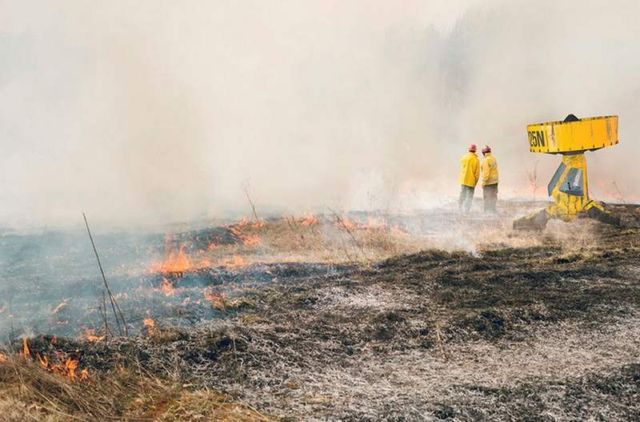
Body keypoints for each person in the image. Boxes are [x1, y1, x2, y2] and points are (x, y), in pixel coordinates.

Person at [459, 144, 480, 212]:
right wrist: (475, 182)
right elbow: (477, 173)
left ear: (469, 149)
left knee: (462, 193)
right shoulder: (476, 160)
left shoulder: (464, 157)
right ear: (475, 150)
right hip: (471, 181)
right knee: (469, 196)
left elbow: (461, 168)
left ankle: (460, 207)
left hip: (463, 180)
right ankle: (466, 210)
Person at [481, 145, 499, 212]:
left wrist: (483, 183)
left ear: (483, 153)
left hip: (488, 182)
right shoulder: (493, 158)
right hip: (495, 182)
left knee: (487, 198)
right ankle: (493, 210)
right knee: (493, 197)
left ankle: (487, 212)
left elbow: (486, 173)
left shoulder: (485, 160)